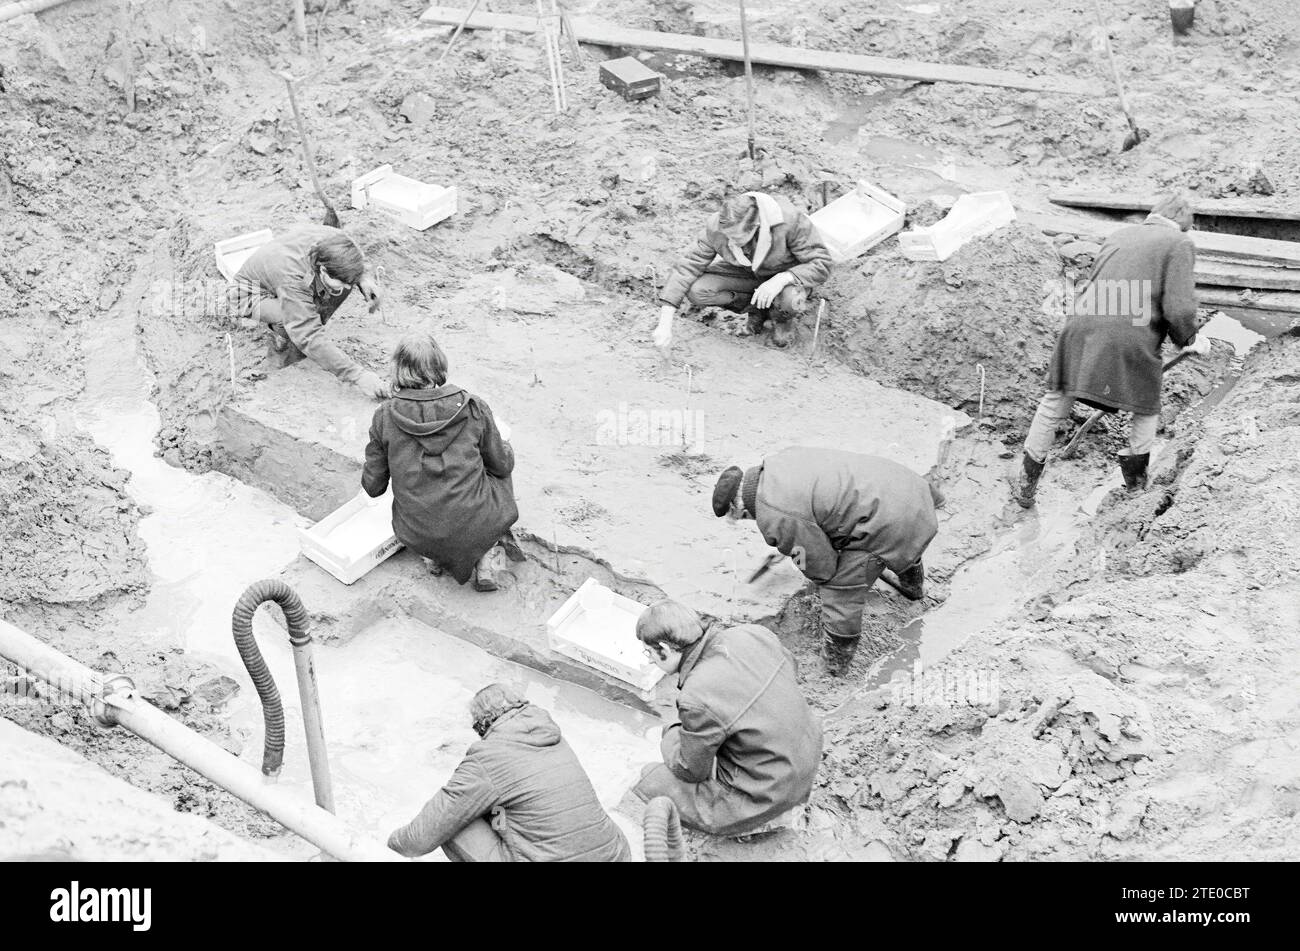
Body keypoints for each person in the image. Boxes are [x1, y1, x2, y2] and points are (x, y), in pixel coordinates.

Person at [1015, 191, 1211, 506]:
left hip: (1079, 328)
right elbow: (1178, 307)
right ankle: (1136, 490)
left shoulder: (1120, 234)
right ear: (1181, 224)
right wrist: (1190, 339)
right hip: (1129, 336)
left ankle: (1025, 486)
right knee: (1146, 408)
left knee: (1055, 402)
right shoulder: (1180, 244)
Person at [713, 447, 939, 674]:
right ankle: (913, 586)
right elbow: (820, 505)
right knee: (888, 536)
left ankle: (835, 665)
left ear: (739, 508)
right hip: (906, 488)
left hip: (893, 522)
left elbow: (823, 568)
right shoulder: (778, 463)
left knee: (840, 589)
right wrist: (793, 541)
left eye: (744, 519)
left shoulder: (774, 514)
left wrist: (795, 551)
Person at [631, 600, 823, 836]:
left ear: (665, 648)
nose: (649, 659)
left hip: (768, 795)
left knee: (651, 778)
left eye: (649, 652)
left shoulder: (697, 695)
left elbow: (690, 770)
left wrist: (670, 731)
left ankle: (759, 824)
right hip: (808, 754)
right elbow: (792, 669)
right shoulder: (753, 634)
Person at [387, 684, 631, 862]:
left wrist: (388, 842)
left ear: (481, 726)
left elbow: (421, 837)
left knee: (452, 823)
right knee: (498, 807)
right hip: (616, 855)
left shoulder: (487, 757)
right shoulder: (552, 736)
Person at [361, 330, 520, 591]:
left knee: (426, 506)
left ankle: (433, 556)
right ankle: (484, 559)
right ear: (438, 365)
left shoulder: (384, 417)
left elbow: (373, 487)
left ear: (398, 369)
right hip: (476, 525)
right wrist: (505, 448)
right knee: (501, 461)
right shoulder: (473, 408)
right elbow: (501, 464)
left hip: (418, 532)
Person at [653, 192, 832, 350]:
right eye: (728, 237)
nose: (732, 243)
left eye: (738, 238)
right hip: (749, 275)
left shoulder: (790, 221)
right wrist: (665, 322)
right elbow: (688, 265)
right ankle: (757, 311)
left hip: (787, 282)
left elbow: (821, 263)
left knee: (792, 300)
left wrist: (782, 279)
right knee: (698, 290)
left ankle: (781, 321)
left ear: (757, 226)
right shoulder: (717, 226)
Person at [229, 223, 390, 399]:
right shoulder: (292, 279)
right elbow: (308, 334)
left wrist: (363, 278)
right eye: (342, 281)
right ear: (322, 269)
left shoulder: (336, 240)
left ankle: (310, 326)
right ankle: (281, 340)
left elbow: (355, 256)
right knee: (292, 320)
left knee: (338, 289)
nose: (347, 286)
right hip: (249, 294)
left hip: (281, 277)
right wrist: (358, 375)